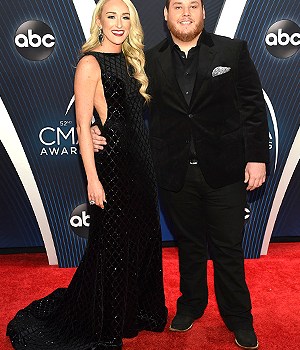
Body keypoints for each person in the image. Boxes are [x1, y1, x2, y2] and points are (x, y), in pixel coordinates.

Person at [92, 0, 269, 348]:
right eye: (177, 6)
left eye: (193, 6)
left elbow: (252, 105)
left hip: (226, 171)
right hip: (174, 173)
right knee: (188, 246)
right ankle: (191, 305)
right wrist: (96, 128)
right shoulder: (147, 59)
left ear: (204, 12)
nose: (185, 13)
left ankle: (239, 317)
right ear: (166, 14)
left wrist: (257, 158)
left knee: (228, 250)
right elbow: (122, 102)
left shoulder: (233, 51)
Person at [6, 1, 167, 349]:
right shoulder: (89, 63)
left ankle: (134, 310)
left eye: (126, 17)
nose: (119, 24)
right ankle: (107, 318)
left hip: (141, 164)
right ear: (99, 21)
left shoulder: (132, 61)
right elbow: (82, 124)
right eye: (112, 16)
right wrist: (93, 179)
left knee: (142, 238)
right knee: (111, 245)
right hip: (113, 166)